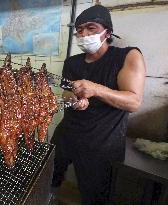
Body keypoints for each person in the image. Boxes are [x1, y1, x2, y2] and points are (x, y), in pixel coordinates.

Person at [51, 4, 146, 205]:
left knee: (95, 196)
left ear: (107, 31)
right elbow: (67, 92)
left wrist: (96, 89)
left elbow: (133, 101)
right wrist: (74, 99)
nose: (84, 34)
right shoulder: (72, 62)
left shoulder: (127, 56)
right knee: (50, 179)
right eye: (79, 30)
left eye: (91, 28)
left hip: (102, 143)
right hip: (67, 135)